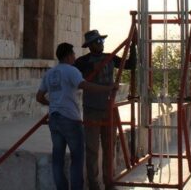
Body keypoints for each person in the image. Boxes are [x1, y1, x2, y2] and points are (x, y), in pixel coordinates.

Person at [37, 42, 115, 190]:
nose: (74, 56)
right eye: (73, 54)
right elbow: (86, 86)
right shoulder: (71, 71)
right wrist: (108, 88)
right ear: (67, 56)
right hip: (70, 119)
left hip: (54, 118)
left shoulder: (50, 73)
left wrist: (53, 104)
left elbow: (39, 97)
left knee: (58, 159)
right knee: (77, 158)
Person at [75, 30, 136, 190]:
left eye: (101, 41)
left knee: (109, 147)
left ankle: (109, 182)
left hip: (108, 108)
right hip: (91, 109)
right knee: (92, 149)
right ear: (90, 46)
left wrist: (133, 47)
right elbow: (77, 73)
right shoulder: (83, 61)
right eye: (97, 42)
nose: (100, 44)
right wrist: (92, 67)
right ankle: (93, 185)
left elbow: (130, 64)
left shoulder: (110, 58)